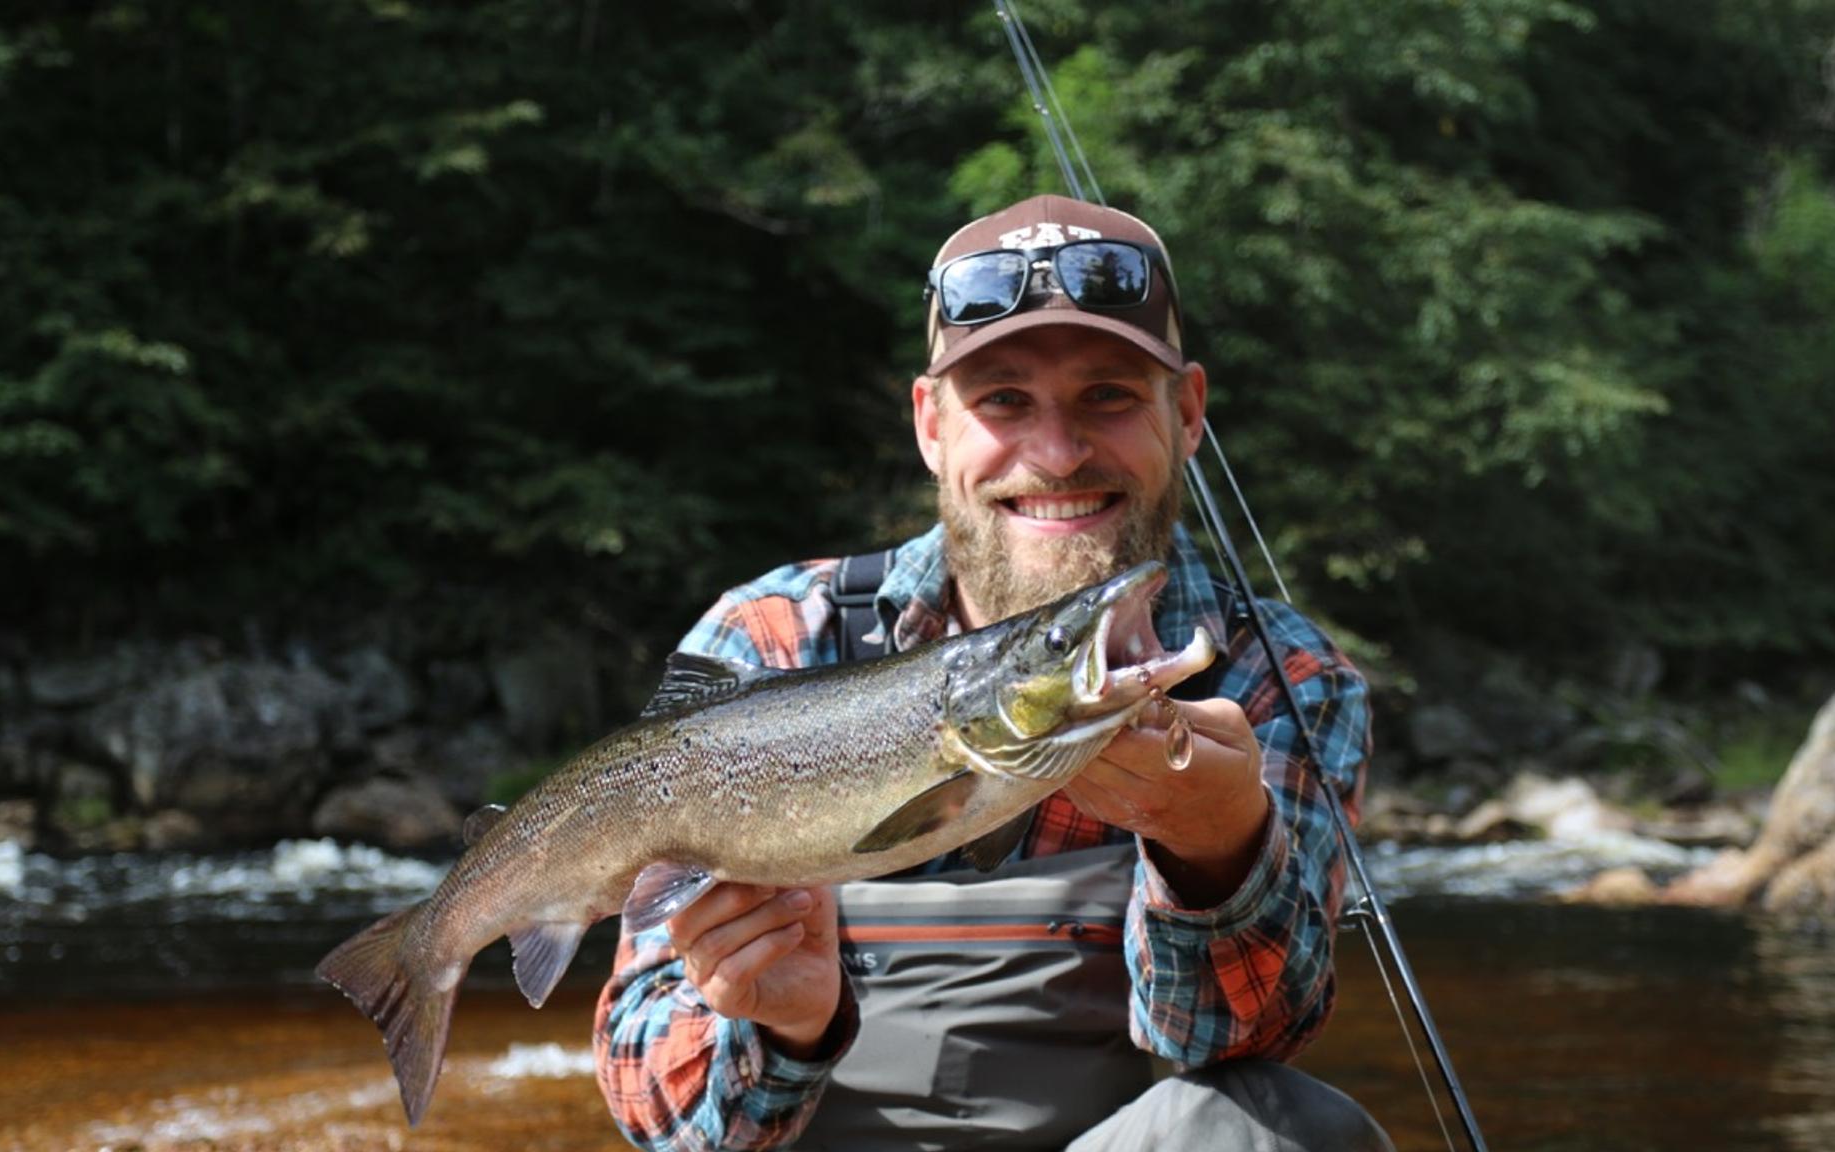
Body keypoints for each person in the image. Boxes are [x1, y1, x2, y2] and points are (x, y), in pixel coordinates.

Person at [593, 195, 1394, 1152]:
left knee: (1285, 1131)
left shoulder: (1282, 679)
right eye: (1005, 400)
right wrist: (780, 1025)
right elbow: (656, 1115)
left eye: (1109, 396)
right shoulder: (775, 636)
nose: (1057, 457)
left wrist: (1215, 852)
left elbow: (1243, 1049)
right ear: (932, 424)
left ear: (1186, 415)